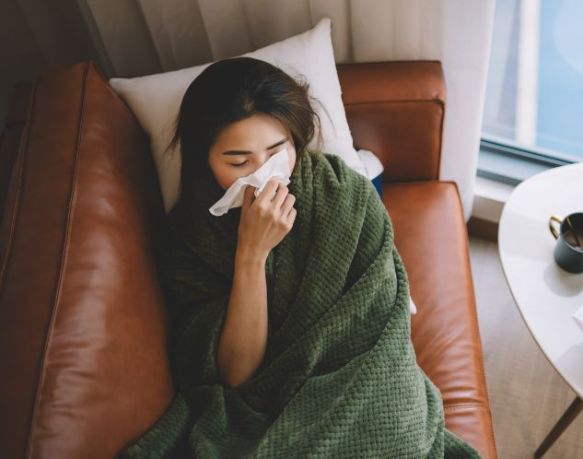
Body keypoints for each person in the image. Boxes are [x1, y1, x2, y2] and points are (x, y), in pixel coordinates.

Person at [119, 57, 480, 458]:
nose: (263, 174)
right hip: (266, 406)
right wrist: (251, 255)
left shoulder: (347, 198)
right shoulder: (188, 239)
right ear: (204, 159)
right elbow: (236, 374)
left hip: (363, 386)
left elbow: (379, 332)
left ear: (296, 140)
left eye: (277, 152)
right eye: (238, 162)